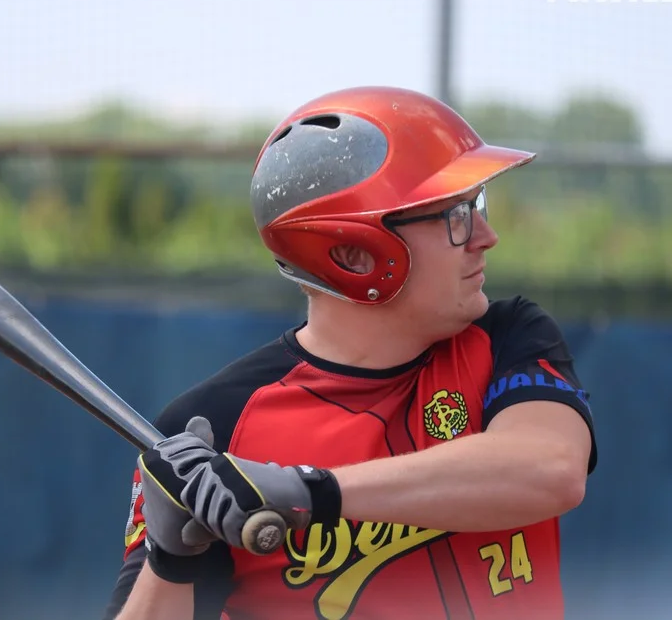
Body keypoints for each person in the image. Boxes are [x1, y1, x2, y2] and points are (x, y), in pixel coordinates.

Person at [100, 85, 597, 620]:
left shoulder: (505, 338)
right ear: (356, 255)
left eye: (475, 205)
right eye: (454, 215)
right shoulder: (214, 427)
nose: (485, 236)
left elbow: (551, 468)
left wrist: (306, 491)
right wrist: (172, 556)